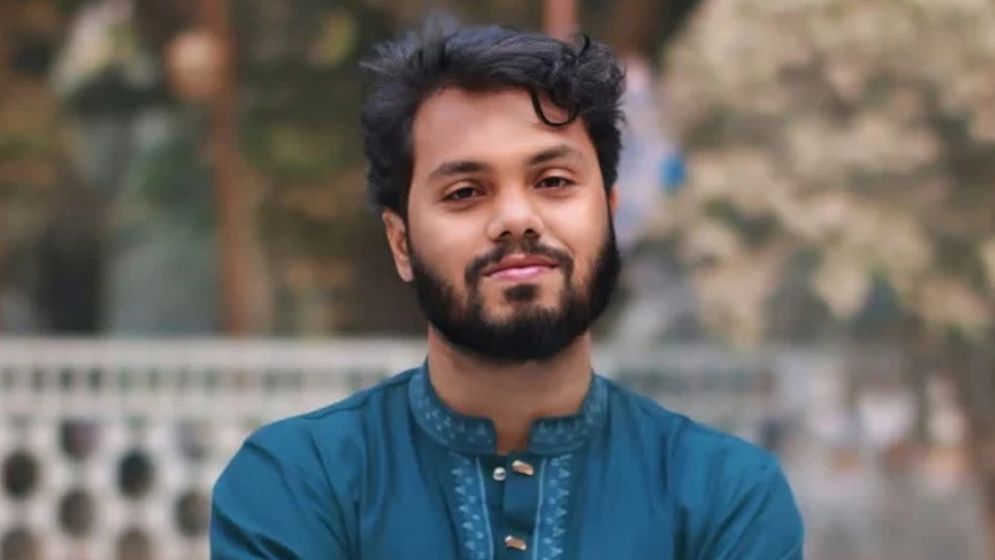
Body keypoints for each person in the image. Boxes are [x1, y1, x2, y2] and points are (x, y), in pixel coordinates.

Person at [211, 21, 804, 560]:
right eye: (465, 192)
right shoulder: (298, 483)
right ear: (401, 243)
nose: (517, 219)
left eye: (554, 181)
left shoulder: (723, 495)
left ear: (610, 213)